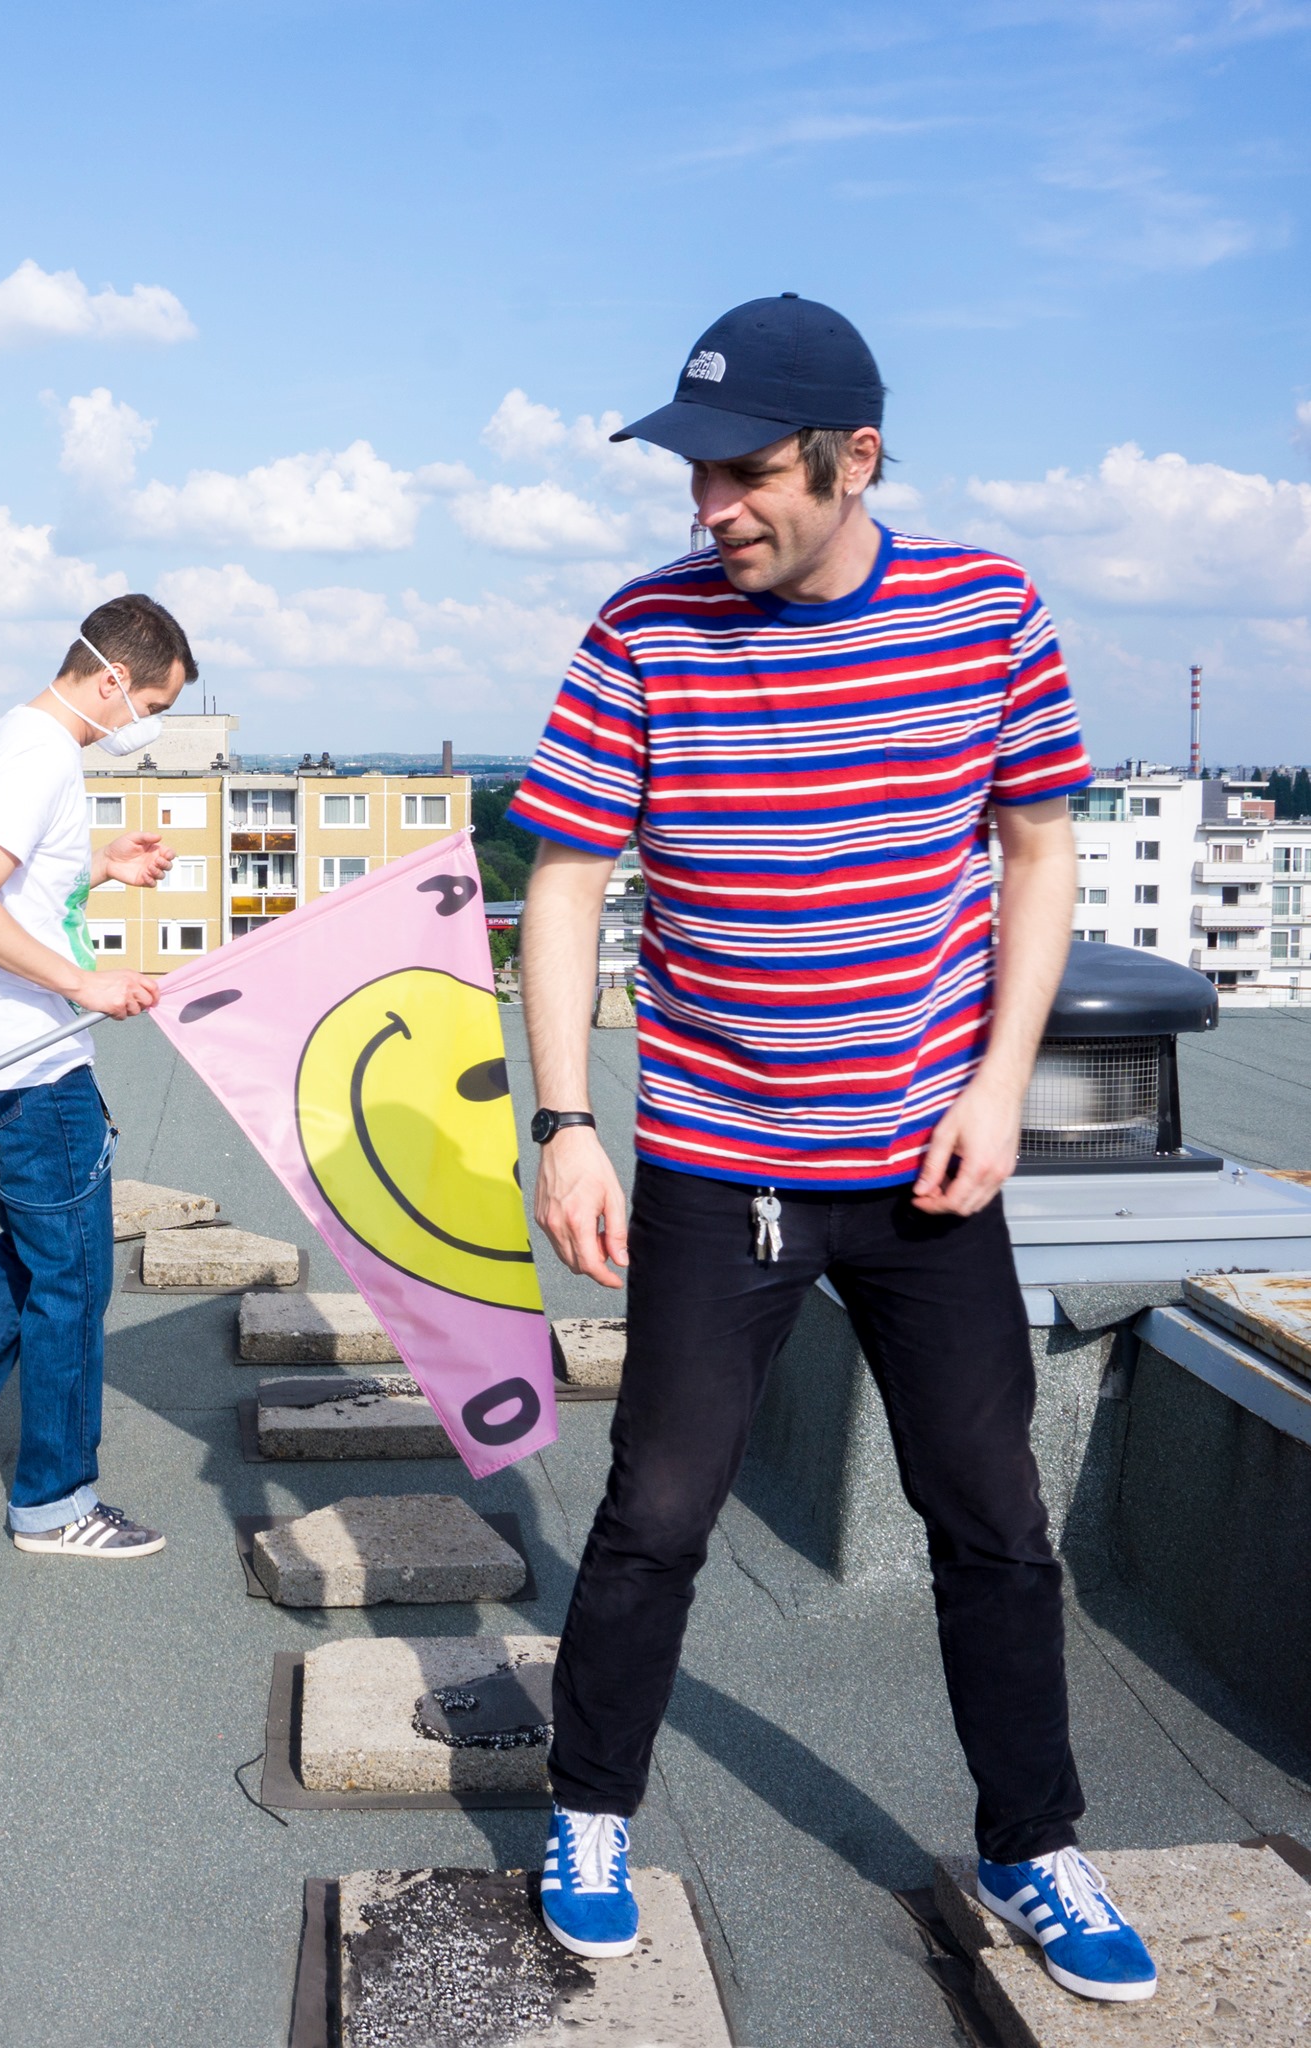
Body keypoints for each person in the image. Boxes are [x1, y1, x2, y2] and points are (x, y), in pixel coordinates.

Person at [512, 297, 1158, 2004]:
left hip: (927, 1160)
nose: (709, 504)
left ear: (852, 458)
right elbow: (565, 881)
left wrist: (1000, 1083)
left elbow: (1035, 852)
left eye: (744, 472)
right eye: (694, 473)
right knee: (657, 1507)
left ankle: (1029, 1841)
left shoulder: (986, 610)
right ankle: (590, 1810)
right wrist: (565, 1122)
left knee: (992, 1514)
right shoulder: (640, 629)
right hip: (715, 1157)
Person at [0, 593, 194, 1560]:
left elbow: (14, 887)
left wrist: (97, 868)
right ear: (113, 680)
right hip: (28, 1067)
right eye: (152, 707)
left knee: (38, 1250)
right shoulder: (42, 756)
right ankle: (56, 1507)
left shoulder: (6, 739)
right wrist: (82, 984)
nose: (146, 727)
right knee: (76, 1279)